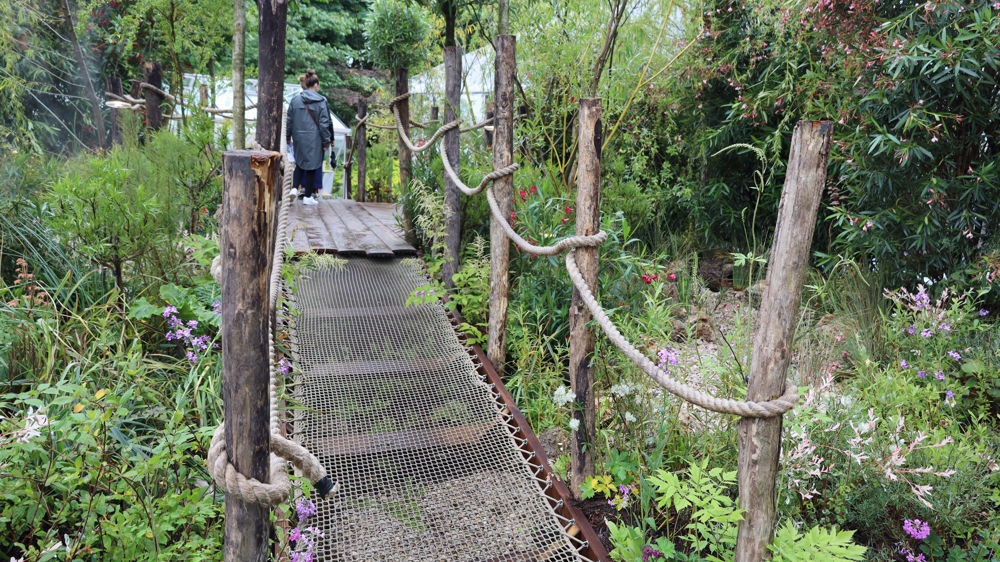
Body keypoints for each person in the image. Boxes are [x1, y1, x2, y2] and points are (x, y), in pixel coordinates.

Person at [286, 69, 332, 205]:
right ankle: (307, 197)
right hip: (315, 138)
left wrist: (288, 137)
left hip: (298, 137)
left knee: (300, 163)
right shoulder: (322, 101)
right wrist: (326, 141)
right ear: (316, 85)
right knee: (313, 166)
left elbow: (289, 121)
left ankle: (294, 188)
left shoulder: (295, 100)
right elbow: (324, 124)